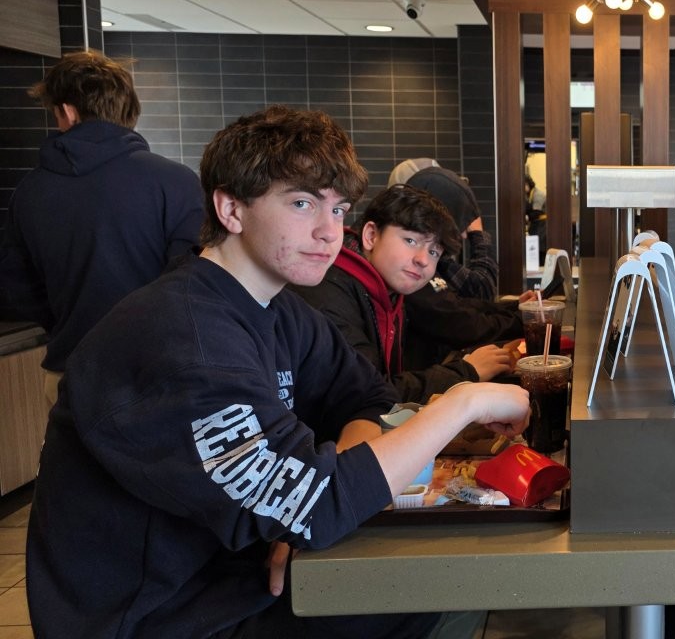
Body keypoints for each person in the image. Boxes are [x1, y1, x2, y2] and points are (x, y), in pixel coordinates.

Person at [25, 106, 530, 639]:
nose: (328, 232)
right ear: (231, 209)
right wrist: (465, 401)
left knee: (422, 582)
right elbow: (319, 501)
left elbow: (365, 398)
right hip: (163, 615)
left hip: (237, 572)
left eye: (338, 209)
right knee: (425, 589)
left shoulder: (279, 308)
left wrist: (301, 509)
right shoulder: (186, 340)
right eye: (301, 203)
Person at [0, 50, 203, 407]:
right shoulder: (176, 182)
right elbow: (199, 281)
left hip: (73, 372)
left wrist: (68, 320)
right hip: (165, 374)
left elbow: (17, 288)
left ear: (67, 112)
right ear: (130, 111)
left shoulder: (29, 191)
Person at [290, 184, 516, 401]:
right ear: (371, 235)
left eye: (434, 252)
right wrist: (466, 372)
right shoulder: (329, 291)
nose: (423, 260)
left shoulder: (389, 291)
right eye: (410, 240)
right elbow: (366, 394)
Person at [406, 166, 498, 301]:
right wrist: (477, 233)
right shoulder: (429, 262)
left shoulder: (431, 256)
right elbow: (482, 290)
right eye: (461, 222)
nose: (464, 235)